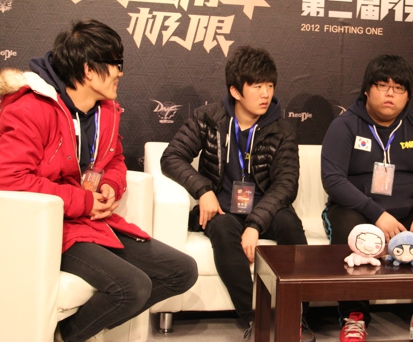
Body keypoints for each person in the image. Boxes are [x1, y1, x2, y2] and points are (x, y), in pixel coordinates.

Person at [0, 19, 198, 342]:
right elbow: (10, 179)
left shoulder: (106, 110)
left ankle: (67, 335)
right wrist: (84, 201)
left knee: (183, 271)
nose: (121, 72)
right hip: (51, 230)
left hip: (91, 223)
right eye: (116, 64)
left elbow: (115, 159)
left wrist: (111, 186)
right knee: (133, 287)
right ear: (89, 70)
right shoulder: (31, 108)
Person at [160, 45, 313, 340]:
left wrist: (255, 224)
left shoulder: (283, 130)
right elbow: (172, 157)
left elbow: (286, 185)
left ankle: (297, 318)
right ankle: (255, 320)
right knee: (221, 228)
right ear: (235, 90)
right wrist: (203, 190)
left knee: (290, 225)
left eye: (270, 86)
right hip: (223, 208)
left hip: (267, 208)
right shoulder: (208, 118)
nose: (266, 94)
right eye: (257, 86)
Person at [321, 54, 413, 342]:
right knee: (350, 226)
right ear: (366, 89)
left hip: (410, 212)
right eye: (383, 86)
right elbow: (333, 180)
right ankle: (355, 315)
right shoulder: (345, 125)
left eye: (399, 88)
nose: (390, 94)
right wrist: (377, 215)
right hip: (359, 212)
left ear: (407, 95)